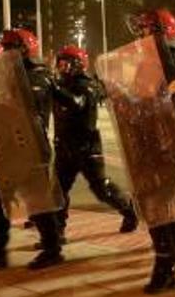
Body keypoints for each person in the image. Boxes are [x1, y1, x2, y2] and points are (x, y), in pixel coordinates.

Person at [124, 9, 175, 293]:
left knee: (159, 206)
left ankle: (166, 263)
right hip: (148, 145)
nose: (140, 35)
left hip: (168, 147)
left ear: (159, 32)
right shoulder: (148, 63)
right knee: (153, 204)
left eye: (145, 30)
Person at [0, 29, 65, 269]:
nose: (4, 52)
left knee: (38, 202)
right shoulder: (9, 75)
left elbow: (24, 105)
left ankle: (53, 250)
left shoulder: (38, 76)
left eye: (10, 47)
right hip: (8, 145)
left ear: (24, 49)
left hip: (30, 146)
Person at [52, 44, 138, 235]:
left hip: (87, 148)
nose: (60, 68)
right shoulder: (63, 85)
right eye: (59, 64)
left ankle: (128, 210)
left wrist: (53, 87)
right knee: (57, 191)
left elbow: (76, 102)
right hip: (65, 147)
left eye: (65, 64)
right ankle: (55, 234)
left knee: (101, 189)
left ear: (77, 65)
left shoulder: (87, 86)